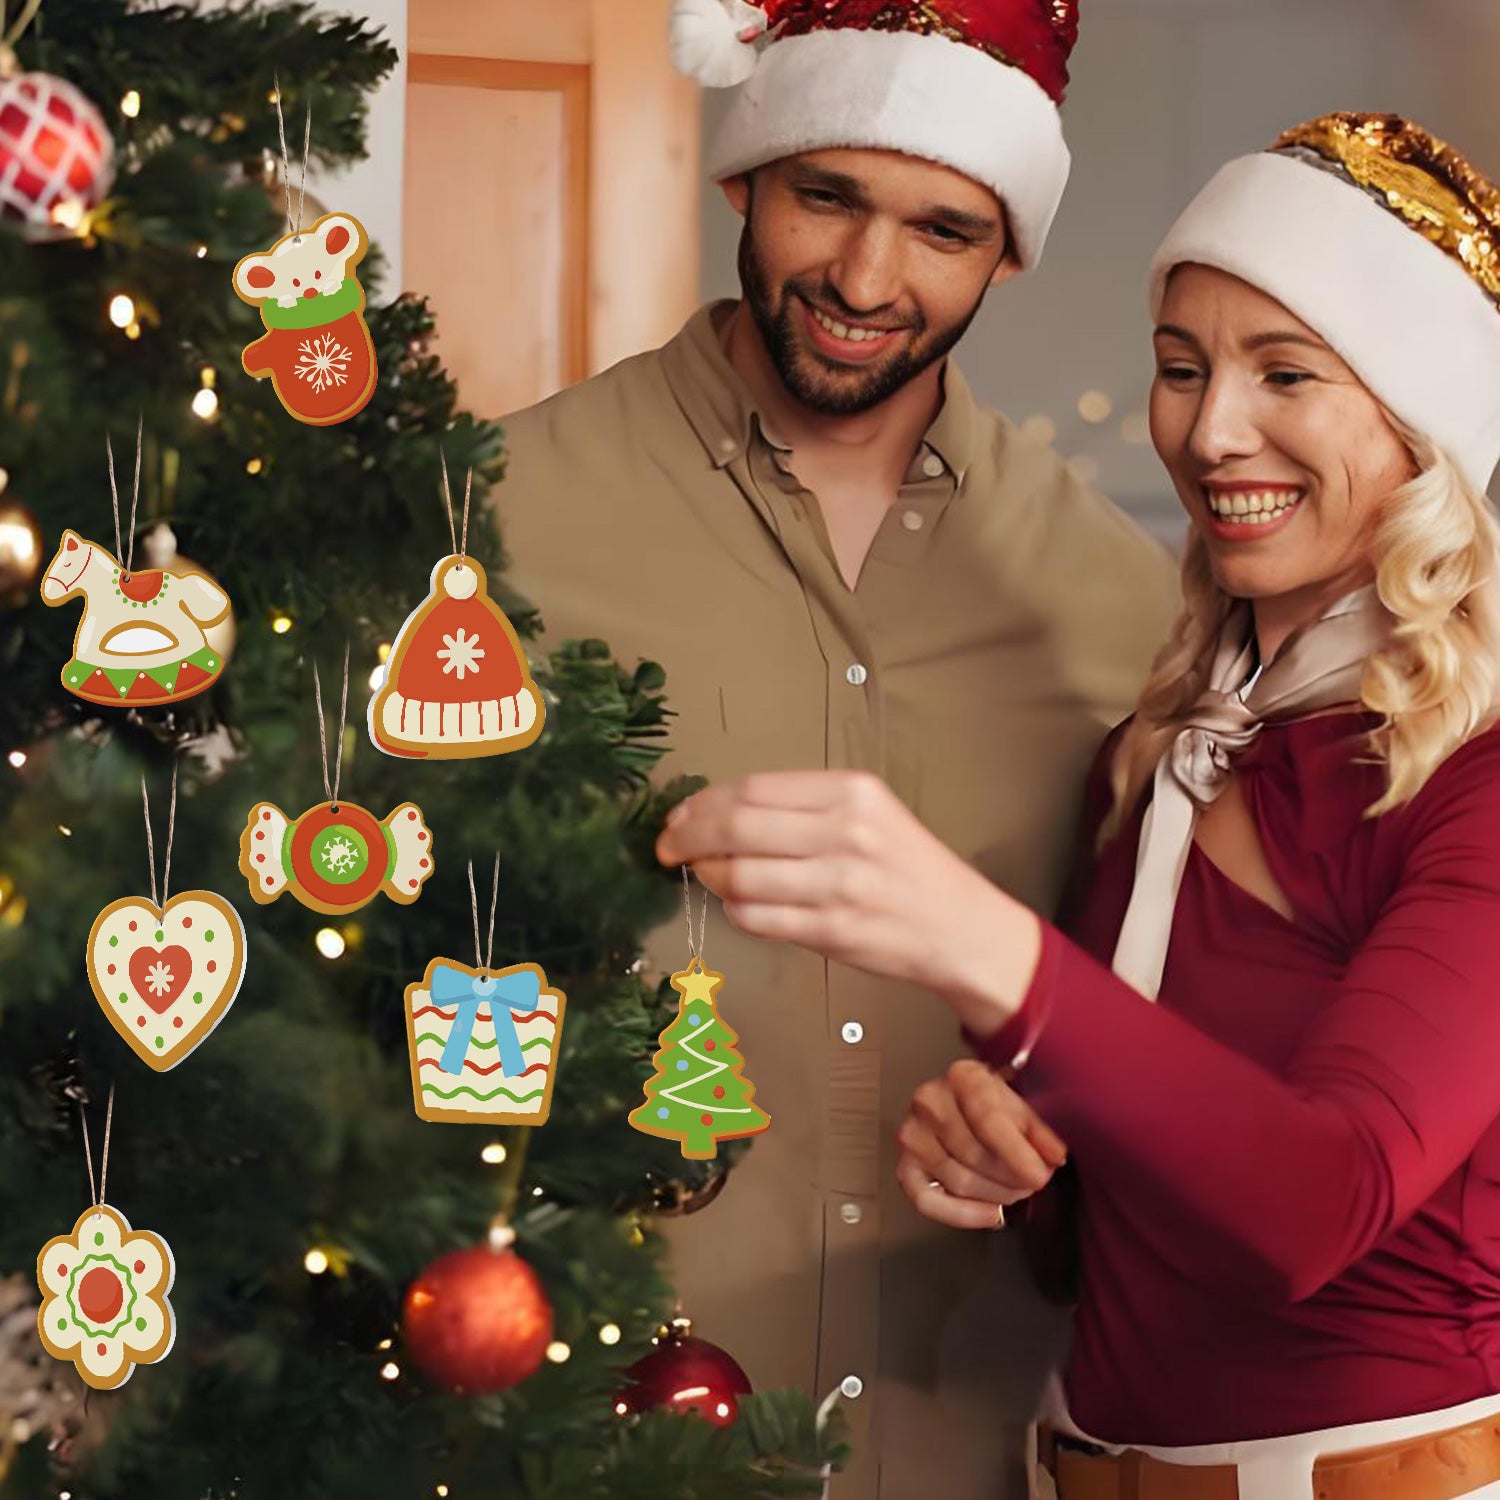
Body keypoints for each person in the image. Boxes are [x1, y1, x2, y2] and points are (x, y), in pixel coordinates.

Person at [656, 111, 1500, 1500]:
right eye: (1181, 368)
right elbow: (1128, 1232)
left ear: (1420, 425)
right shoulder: (1162, 756)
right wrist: (1019, 1164)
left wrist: (979, 945)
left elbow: (1316, 1204)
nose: (1210, 428)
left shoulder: (1471, 778)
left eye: (1285, 373)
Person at [496, 1, 1177, 1493]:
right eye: (827, 197)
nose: (869, 279)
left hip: (977, 1437)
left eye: (942, 229)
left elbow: (1171, 1035)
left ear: (1006, 249)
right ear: (744, 177)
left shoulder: (1122, 607)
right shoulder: (493, 521)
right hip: (577, 1427)